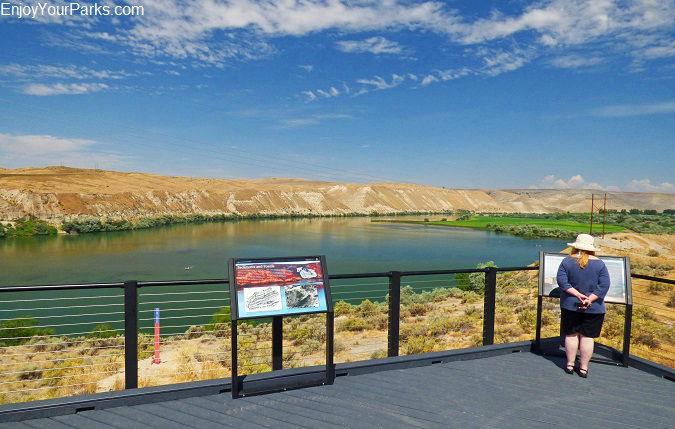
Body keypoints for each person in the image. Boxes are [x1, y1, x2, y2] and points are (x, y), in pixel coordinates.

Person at [556, 233, 610, 378]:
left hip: (570, 305)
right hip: (594, 308)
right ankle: (583, 368)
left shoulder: (567, 262)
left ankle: (570, 364)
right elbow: (604, 285)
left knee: (571, 335)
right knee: (587, 337)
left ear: (575, 246)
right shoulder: (600, 264)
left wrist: (576, 294)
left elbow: (562, 282)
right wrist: (590, 299)